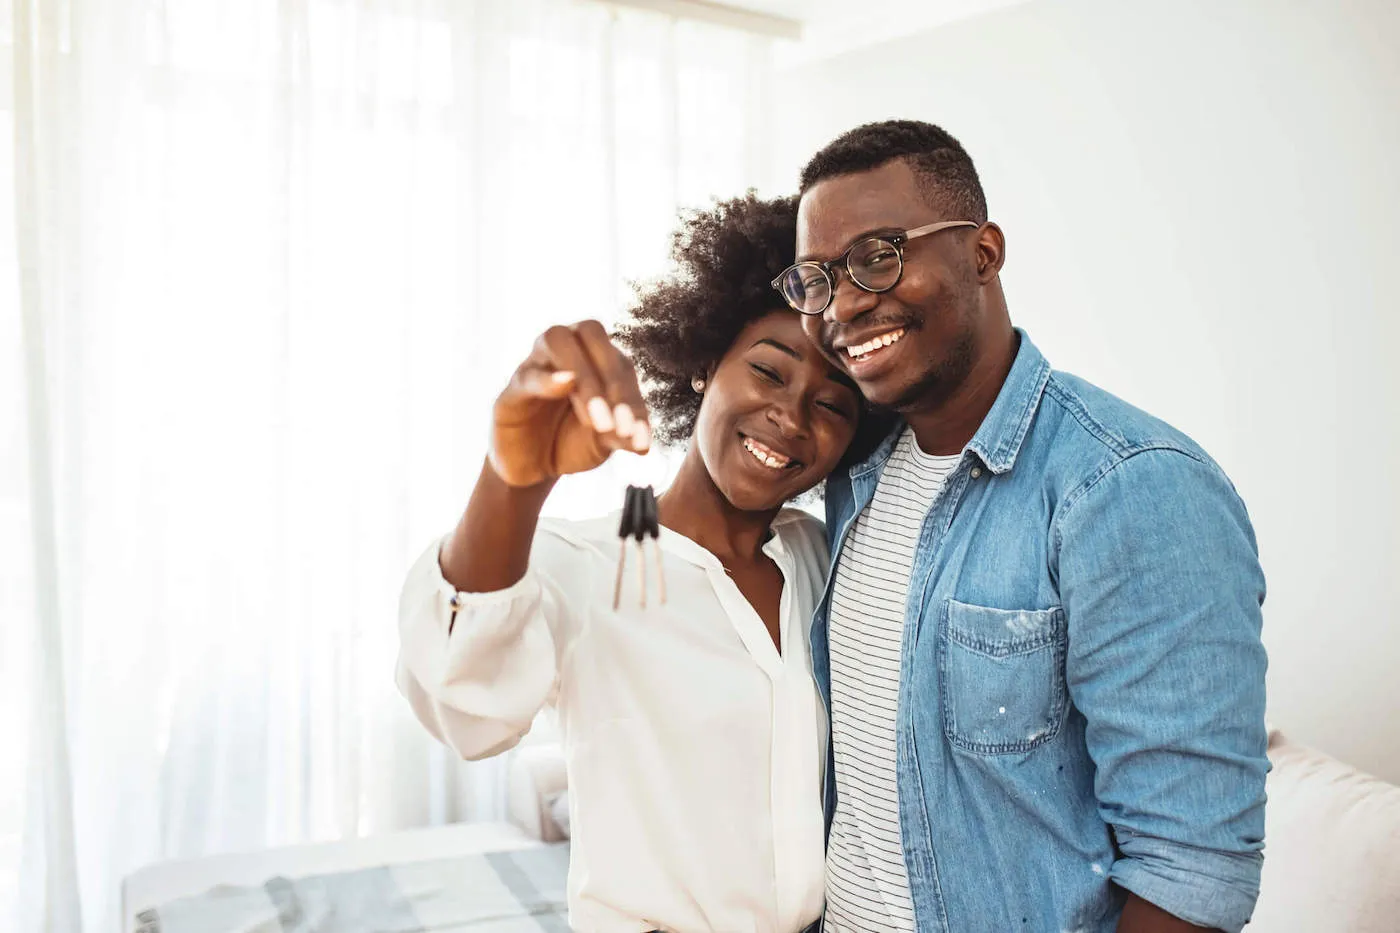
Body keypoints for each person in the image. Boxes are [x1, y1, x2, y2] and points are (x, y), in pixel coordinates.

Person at [769, 121, 1269, 933]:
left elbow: (1190, 868)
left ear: (983, 253)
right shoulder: (851, 478)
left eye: (879, 255)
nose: (847, 304)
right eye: (820, 279)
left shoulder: (1128, 485)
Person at [396, 194, 871, 933]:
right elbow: (464, 706)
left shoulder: (821, 554)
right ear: (704, 363)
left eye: (833, 405)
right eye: (770, 373)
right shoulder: (588, 561)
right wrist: (513, 481)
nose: (793, 416)